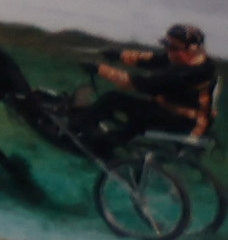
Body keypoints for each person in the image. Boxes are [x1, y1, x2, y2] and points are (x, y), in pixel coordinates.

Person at [64, 19, 216, 167]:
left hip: (185, 122)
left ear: (192, 49)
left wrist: (100, 69)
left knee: (113, 99)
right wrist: (118, 54)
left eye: (173, 47)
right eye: (168, 45)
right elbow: (150, 59)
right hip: (177, 114)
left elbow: (141, 84)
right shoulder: (190, 60)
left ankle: (80, 131)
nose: (168, 50)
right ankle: (104, 138)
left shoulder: (191, 73)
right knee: (132, 113)